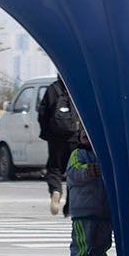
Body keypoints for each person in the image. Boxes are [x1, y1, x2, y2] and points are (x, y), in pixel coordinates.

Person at [66, 127, 112, 256]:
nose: (85, 133)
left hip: (103, 209)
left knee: (102, 242)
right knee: (81, 241)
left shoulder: (104, 154)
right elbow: (73, 173)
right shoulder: (77, 153)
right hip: (83, 209)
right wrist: (89, 170)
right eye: (83, 130)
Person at [37, 76, 80, 213]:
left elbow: (42, 113)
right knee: (73, 170)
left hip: (56, 138)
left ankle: (55, 190)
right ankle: (69, 205)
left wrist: (47, 133)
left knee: (54, 168)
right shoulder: (77, 88)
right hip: (75, 137)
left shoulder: (52, 89)